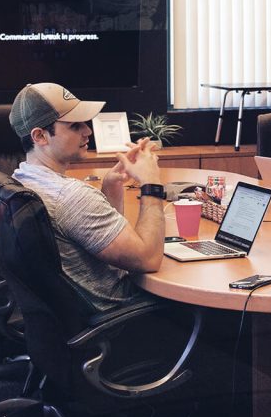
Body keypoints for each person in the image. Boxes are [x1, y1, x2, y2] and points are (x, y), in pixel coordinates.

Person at [9, 82, 167, 311]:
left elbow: (96, 238)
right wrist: (151, 184)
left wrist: (111, 186)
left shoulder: (21, 177)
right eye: (75, 126)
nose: (88, 131)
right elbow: (148, 259)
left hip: (67, 315)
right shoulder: (70, 197)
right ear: (40, 136)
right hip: (122, 315)